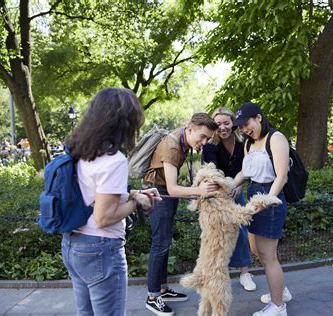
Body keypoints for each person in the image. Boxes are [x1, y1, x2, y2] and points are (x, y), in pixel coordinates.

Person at [62, 87, 161, 315]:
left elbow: (93, 196)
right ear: (125, 123)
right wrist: (136, 203)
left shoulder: (81, 151)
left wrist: (133, 194)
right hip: (100, 249)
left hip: (73, 243)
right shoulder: (114, 159)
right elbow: (104, 217)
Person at [143, 113, 219, 315]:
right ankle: (152, 296)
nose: (203, 142)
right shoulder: (173, 145)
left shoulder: (185, 141)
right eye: (202, 137)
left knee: (165, 242)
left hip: (164, 192)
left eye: (207, 139)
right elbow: (174, 188)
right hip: (158, 193)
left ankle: (161, 289)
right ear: (190, 128)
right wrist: (201, 191)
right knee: (159, 243)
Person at [232, 102, 291, 316]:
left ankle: (278, 307)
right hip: (254, 195)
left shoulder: (276, 138)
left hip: (270, 199)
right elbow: (244, 173)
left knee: (268, 256)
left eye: (246, 124)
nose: (244, 129)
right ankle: (280, 291)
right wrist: (229, 185)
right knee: (256, 250)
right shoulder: (248, 144)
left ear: (258, 117)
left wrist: (266, 201)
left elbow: (282, 176)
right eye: (241, 127)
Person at [202, 107, 257, 292]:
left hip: (238, 191)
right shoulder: (209, 146)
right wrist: (226, 187)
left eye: (227, 123)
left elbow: (248, 167)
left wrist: (239, 185)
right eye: (218, 124)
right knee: (219, 235)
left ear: (233, 123)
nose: (223, 127)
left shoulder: (245, 142)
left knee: (241, 231)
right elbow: (212, 171)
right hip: (219, 195)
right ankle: (218, 273)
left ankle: (244, 272)